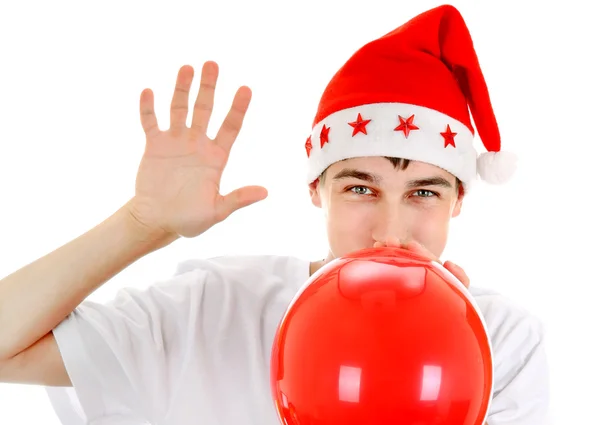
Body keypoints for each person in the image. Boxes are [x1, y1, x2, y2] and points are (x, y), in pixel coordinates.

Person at [0, 4, 549, 425]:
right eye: (361, 188)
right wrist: (142, 225)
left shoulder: (501, 343)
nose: (390, 231)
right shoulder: (211, 309)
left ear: (458, 200)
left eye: (423, 194)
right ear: (316, 189)